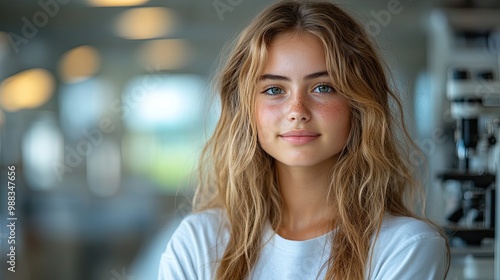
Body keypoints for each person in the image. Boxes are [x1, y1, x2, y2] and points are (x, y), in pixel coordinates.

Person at [158, 0, 449, 279]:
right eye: (274, 90)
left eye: (323, 87)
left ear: (358, 105)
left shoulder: (407, 246)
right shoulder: (197, 241)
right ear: (247, 108)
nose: (297, 111)